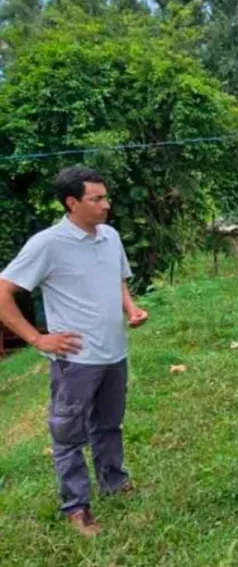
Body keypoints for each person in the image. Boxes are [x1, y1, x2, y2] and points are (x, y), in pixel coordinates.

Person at [0, 166, 148, 537]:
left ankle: (114, 481)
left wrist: (130, 309)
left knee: (109, 426)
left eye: (105, 196)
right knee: (69, 436)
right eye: (96, 199)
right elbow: (3, 292)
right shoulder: (48, 244)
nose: (106, 205)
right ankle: (77, 507)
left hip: (114, 353)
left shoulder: (109, 237)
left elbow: (117, 280)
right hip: (75, 361)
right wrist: (37, 338)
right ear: (72, 202)